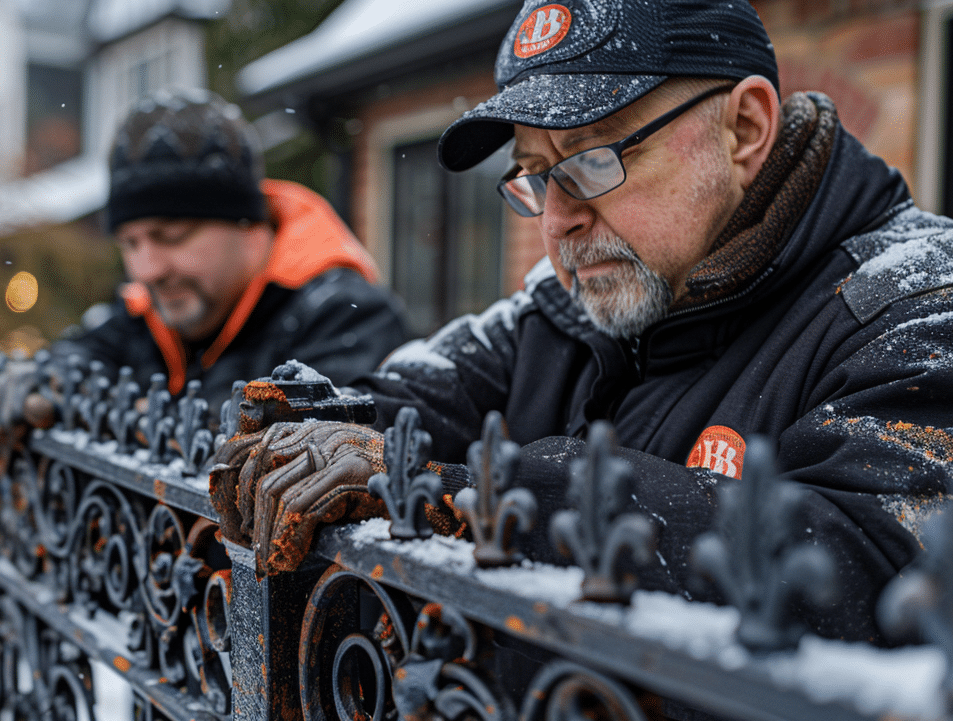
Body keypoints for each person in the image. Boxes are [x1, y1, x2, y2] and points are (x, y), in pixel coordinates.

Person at [210, 0, 953, 642]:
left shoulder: (919, 302)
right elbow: (414, 402)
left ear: (746, 128)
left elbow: (868, 568)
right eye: (534, 175)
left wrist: (486, 492)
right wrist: (313, 429)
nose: (559, 219)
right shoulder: (570, 302)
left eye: (592, 160)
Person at [50, 89, 409, 415]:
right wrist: (52, 381)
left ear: (248, 226)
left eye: (172, 236)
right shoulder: (144, 309)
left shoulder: (346, 316)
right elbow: (77, 355)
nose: (147, 270)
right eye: (130, 243)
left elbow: (306, 440)